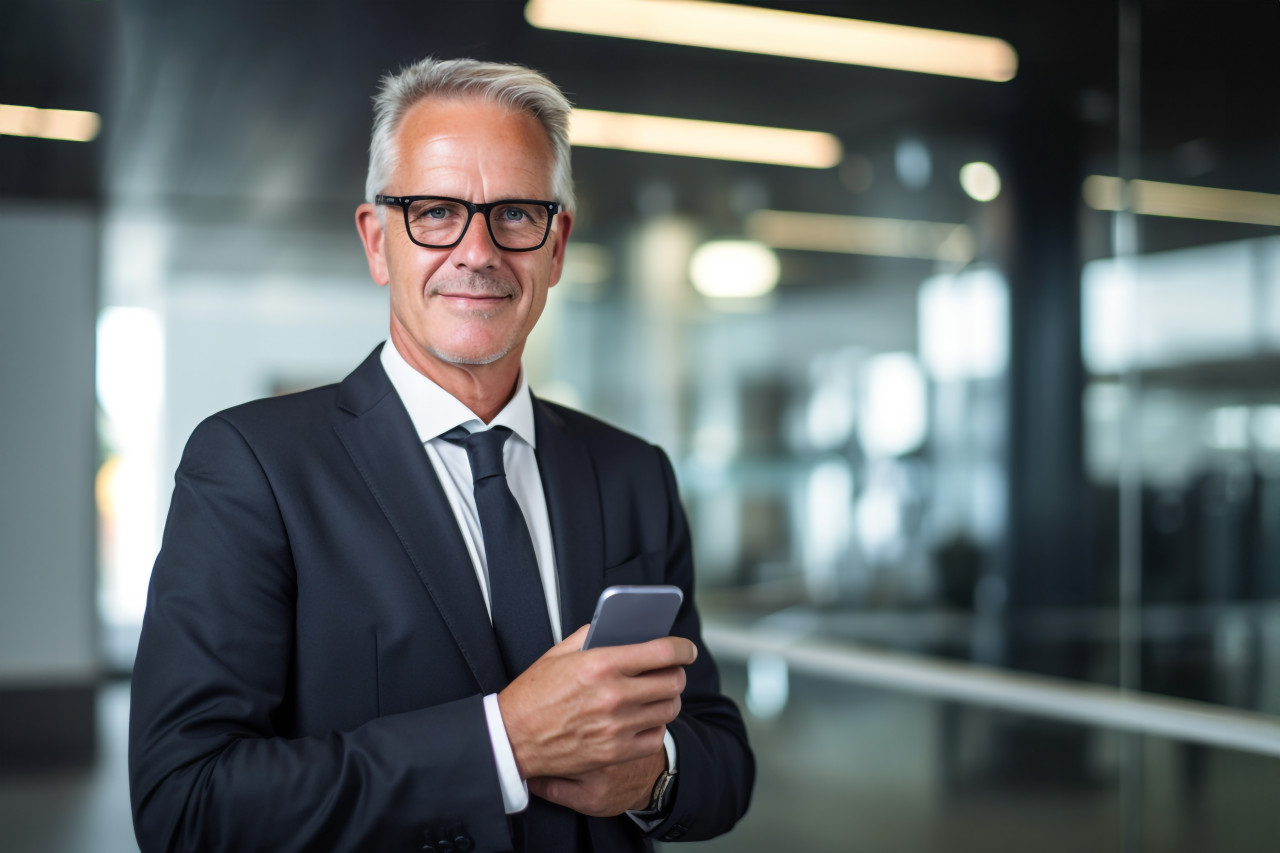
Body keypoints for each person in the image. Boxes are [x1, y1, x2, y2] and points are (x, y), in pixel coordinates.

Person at [128, 56, 754, 853]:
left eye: (517, 214)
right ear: (377, 240)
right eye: (434, 211)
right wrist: (504, 741)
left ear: (556, 246)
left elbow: (723, 761)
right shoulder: (253, 467)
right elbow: (187, 807)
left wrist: (655, 775)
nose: (478, 251)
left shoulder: (632, 473)